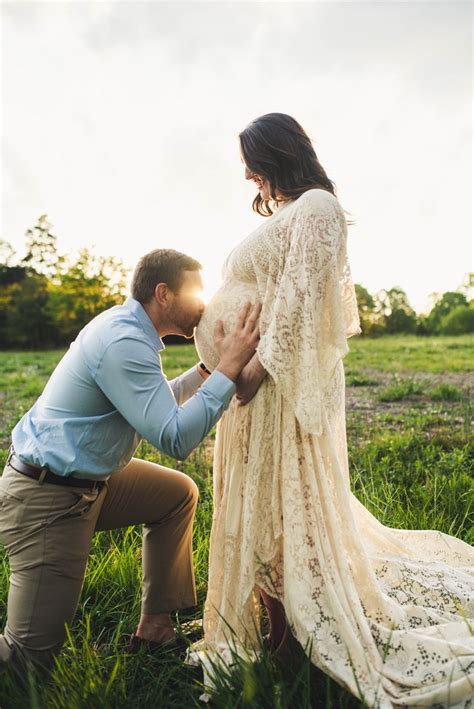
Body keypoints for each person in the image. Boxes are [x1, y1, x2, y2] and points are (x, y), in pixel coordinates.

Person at [190, 114, 474, 707]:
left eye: (251, 160)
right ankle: (273, 624)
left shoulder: (316, 206)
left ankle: (294, 630)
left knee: (280, 501)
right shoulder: (294, 210)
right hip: (249, 388)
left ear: (275, 152)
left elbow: (299, 301)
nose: (246, 174)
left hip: (273, 389)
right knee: (259, 501)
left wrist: (251, 374)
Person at [0, 248, 261, 673]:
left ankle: (156, 626)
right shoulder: (123, 341)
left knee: (176, 494)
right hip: (47, 498)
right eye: (196, 294)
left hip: (86, 480)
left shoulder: (131, 331)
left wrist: (207, 371)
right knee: (26, 660)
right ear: (163, 294)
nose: (204, 304)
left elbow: (151, 405)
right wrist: (230, 368)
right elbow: (174, 437)